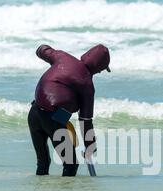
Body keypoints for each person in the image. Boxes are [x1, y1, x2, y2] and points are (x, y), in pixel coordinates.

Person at [28, 44, 111, 176]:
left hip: (34, 113)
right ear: (97, 66)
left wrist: (40, 49)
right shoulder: (87, 85)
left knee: (43, 162)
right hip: (52, 121)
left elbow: (43, 50)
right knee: (71, 164)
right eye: (101, 69)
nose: (100, 72)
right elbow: (85, 121)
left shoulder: (62, 57)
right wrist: (90, 146)